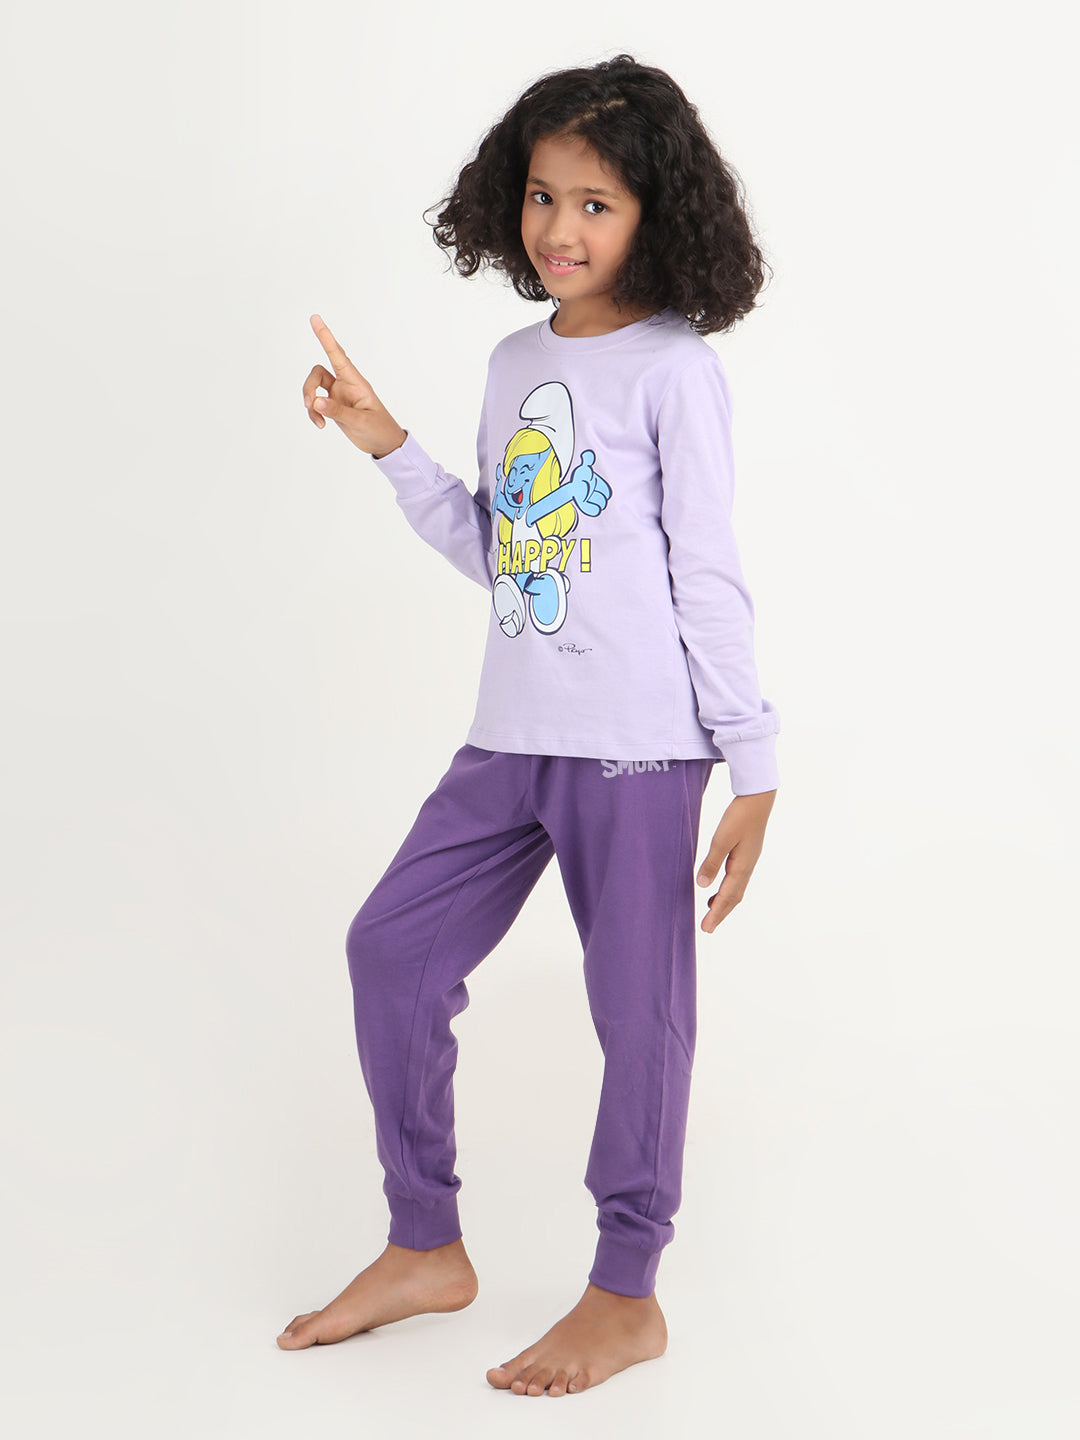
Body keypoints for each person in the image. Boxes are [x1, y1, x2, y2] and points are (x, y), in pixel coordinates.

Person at [280, 52, 781, 1398]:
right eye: (545, 195)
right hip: (510, 738)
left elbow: (706, 572)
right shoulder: (514, 363)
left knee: (638, 1016)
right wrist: (391, 446)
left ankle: (628, 1292)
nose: (563, 227)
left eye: (598, 203)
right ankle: (425, 1243)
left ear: (657, 214)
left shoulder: (675, 371)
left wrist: (751, 760)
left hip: (639, 746)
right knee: (390, 951)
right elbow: (513, 558)